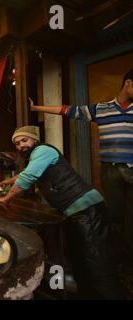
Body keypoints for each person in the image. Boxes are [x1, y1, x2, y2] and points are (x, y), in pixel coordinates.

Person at [0, 125, 123, 299]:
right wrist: (8, 183)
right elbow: (25, 173)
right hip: (76, 213)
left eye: (24, 140)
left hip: (88, 210)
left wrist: (6, 199)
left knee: (97, 263)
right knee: (81, 262)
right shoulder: (37, 156)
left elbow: (28, 177)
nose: (20, 145)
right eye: (17, 143)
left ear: (35, 140)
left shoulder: (43, 150)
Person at [30, 69, 133, 274]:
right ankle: (117, 261)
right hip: (110, 171)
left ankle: (130, 262)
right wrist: (36, 108)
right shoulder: (101, 109)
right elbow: (69, 110)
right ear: (128, 83)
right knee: (114, 217)